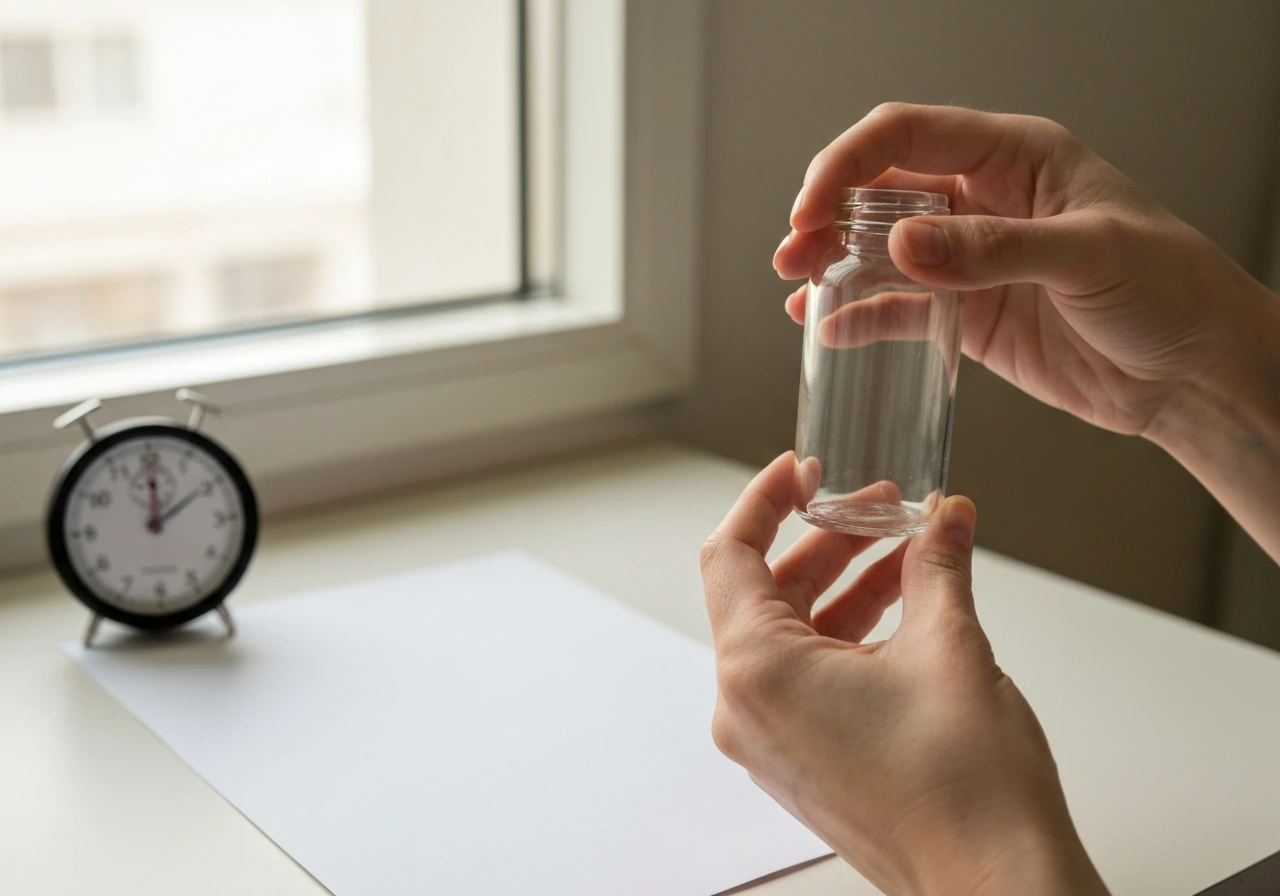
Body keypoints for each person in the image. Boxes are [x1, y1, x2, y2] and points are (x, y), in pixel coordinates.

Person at [699, 103, 1280, 895]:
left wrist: (954, 840)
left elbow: (963, 842)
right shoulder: (841, 272)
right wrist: (1193, 384)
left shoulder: (857, 277)